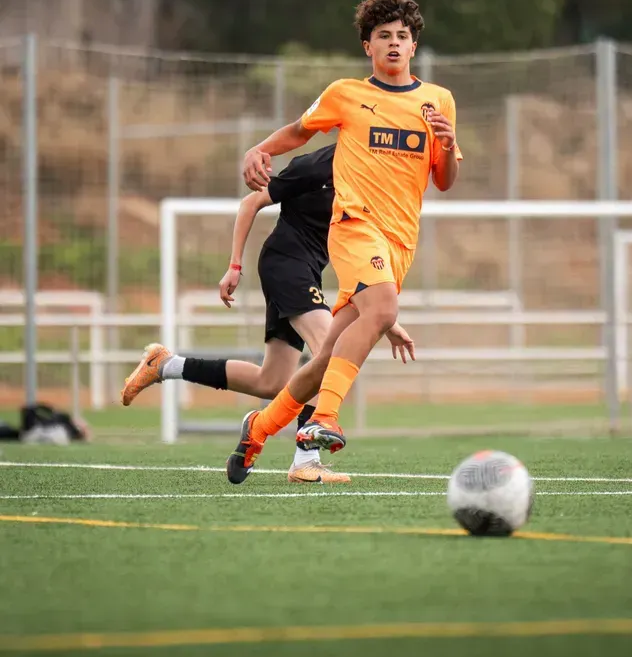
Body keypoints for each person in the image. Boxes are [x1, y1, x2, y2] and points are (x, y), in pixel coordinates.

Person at [227, 0, 461, 484]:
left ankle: (261, 428)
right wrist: (258, 148)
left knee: (329, 353)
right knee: (383, 310)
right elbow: (298, 131)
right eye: (384, 36)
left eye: (403, 36)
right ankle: (324, 421)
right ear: (367, 47)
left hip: (400, 241)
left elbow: (443, 180)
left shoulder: (438, 101)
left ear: (414, 46)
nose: (394, 43)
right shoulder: (346, 94)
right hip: (354, 226)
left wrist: (447, 143)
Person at [121, 143, 414, 483]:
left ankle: (166, 365)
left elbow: (361, 262)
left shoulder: (370, 172)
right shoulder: (315, 166)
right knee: (329, 357)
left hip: (307, 271)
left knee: (271, 381)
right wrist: (233, 265)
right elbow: (251, 202)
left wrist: (384, 317)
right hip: (286, 265)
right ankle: (306, 459)